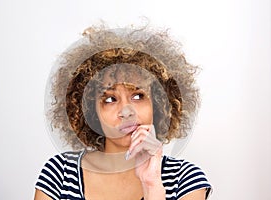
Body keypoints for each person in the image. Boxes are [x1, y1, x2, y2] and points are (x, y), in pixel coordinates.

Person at [34, 25, 212, 200]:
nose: (126, 112)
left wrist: (151, 185)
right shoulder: (60, 174)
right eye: (110, 99)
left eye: (138, 95)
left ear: (157, 103)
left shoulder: (185, 180)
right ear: (90, 110)